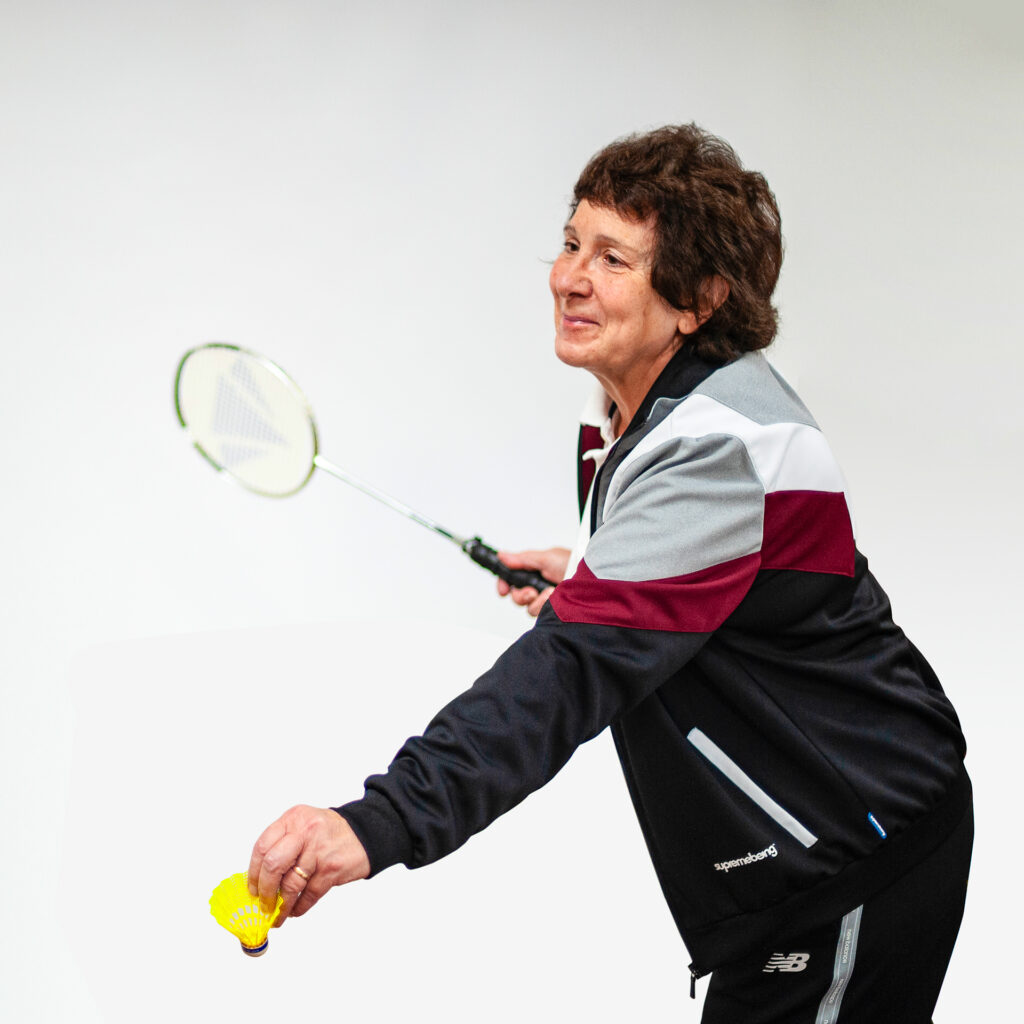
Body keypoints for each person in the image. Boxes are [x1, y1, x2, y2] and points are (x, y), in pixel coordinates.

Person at [248, 125, 971, 1022]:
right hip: (814, 848)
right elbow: (720, 589)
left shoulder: (713, 447)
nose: (569, 277)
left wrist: (377, 822)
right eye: (570, 242)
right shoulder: (644, 411)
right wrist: (590, 578)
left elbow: (569, 673)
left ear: (698, 299)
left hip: (851, 856)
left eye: (614, 259)